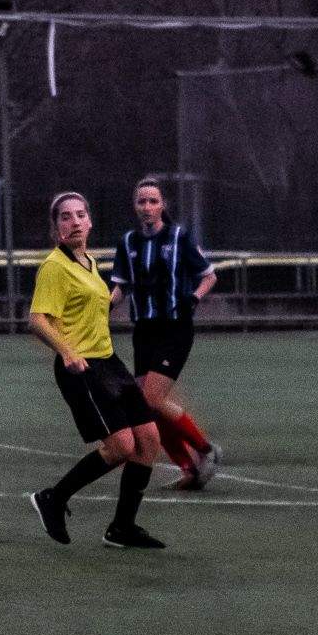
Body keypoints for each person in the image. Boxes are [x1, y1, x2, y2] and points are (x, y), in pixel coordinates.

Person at [28, 190, 166, 550]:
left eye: (80, 215)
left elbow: (97, 306)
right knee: (121, 446)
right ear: (56, 228)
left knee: (149, 440)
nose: (74, 222)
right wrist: (66, 352)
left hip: (109, 362)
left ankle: (122, 528)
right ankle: (53, 498)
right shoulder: (55, 267)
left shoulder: (89, 262)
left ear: (90, 221)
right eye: (65, 217)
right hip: (82, 368)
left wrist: (124, 290)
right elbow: (37, 320)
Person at [112, 176, 222, 489]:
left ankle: (206, 449)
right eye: (141, 201)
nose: (147, 207)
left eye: (153, 201)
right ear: (135, 206)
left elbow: (209, 276)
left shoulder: (178, 237)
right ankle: (189, 470)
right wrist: (101, 307)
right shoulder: (128, 243)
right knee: (146, 406)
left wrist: (195, 298)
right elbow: (121, 287)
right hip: (144, 331)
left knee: (151, 398)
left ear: (162, 205)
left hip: (175, 328)